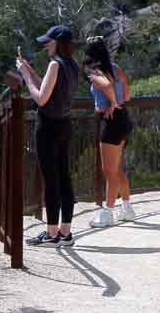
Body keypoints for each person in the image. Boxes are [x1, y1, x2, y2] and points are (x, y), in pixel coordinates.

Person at [16, 24, 81, 245]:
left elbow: (41, 99)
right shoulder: (72, 65)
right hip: (64, 125)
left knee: (51, 181)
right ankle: (65, 232)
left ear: (58, 43)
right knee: (64, 177)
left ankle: (52, 234)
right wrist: (31, 71)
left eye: (48, 42)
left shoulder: (55, 65)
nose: (45, 46)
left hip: (47, 127)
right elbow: (47, 86)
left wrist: (24, 74)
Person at [83, 35, 136, 228]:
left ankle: (107, 213)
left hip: (111, 121)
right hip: (123, 117)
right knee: (117, 167)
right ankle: (127, 208)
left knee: (109, 171)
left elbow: (105, 85)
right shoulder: (115, 67)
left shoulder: (93, 71)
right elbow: (126, 89)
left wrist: (112, 102)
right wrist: (119, 101)